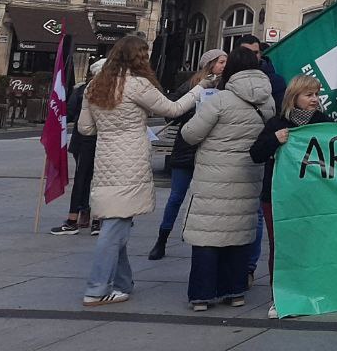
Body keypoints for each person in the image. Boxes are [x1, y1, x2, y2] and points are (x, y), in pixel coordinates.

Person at [77, 36, 203, 307]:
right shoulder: (137, 84)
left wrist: (110, 127)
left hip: (106, 159)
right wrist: (198, 89)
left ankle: (123, 283)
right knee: (114, 228)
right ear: (137, 58)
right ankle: (96, 289)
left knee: (116, 222)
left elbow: (85, 129)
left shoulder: (94, 85)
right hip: (130, 159)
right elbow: (173, 109)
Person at [180, 47, 275, 311]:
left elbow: (190, 134)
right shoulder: (267, 101)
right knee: (240, 232)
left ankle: (201, 294)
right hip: (248, 174)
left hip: (214, 175)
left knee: (208, 234)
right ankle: (235, 291)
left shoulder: (220, 100)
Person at [250, 73, 333, 318]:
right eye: (309, 95)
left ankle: (310, 291)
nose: (314, 99)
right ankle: (280, 296)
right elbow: (255, 154)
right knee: (281, 245)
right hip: (276, 197)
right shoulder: (276, 124)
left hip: (312, 196)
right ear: (293, 97)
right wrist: (275, 141)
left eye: (317, 94)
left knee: (310, 245)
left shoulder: (324, 124)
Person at [147, 48, 227, 260]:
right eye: (220, 62)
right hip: (186, 148)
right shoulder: (191, 86)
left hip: (211, 149)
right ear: (209, 64)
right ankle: (162, 238)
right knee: (176, 196)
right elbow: (172, 110)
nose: (223, 66)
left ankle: (206, 244)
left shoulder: (226, 87)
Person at [51, 57, 105, 236]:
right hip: (102, 140)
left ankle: (76, 216)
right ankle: (97, 219)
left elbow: (70, 112)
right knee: (99, 180)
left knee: (82, 178)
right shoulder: (113, 91)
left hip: (83, 139)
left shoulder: (83, 89)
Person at [239, 34, 286, 110]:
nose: (252, 56)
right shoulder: (227, 78)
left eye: (255, 52)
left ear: (260, 53)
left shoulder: (276, 81)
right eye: (247, 52)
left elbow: (280, 110)